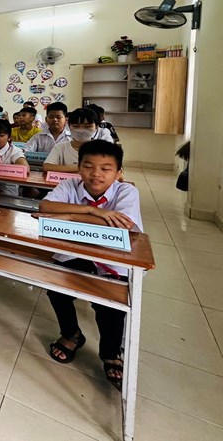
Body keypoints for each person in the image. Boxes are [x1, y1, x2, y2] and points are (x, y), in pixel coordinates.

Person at [36, 140, 141, 390]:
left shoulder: (126, 191)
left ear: (119, 172)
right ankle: (71, 334)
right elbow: (45, 206)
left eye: (105, 168)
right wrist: (93, 212)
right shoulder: (69, 185)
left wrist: (70, 215)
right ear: (79, 168)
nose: (96, 174)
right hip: (72, 253)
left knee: (110, 306)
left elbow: (121, 224)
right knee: (56, 289)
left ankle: (110, 353)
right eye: (88, 166)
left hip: (111, 259)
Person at [44, 108, 105, 173]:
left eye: (87, 126)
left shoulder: (102, 150)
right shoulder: (61, 147)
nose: (81, 130)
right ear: (69, 126)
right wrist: (80, 167)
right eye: (76, 126)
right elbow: (47, 167)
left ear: (96, 127)